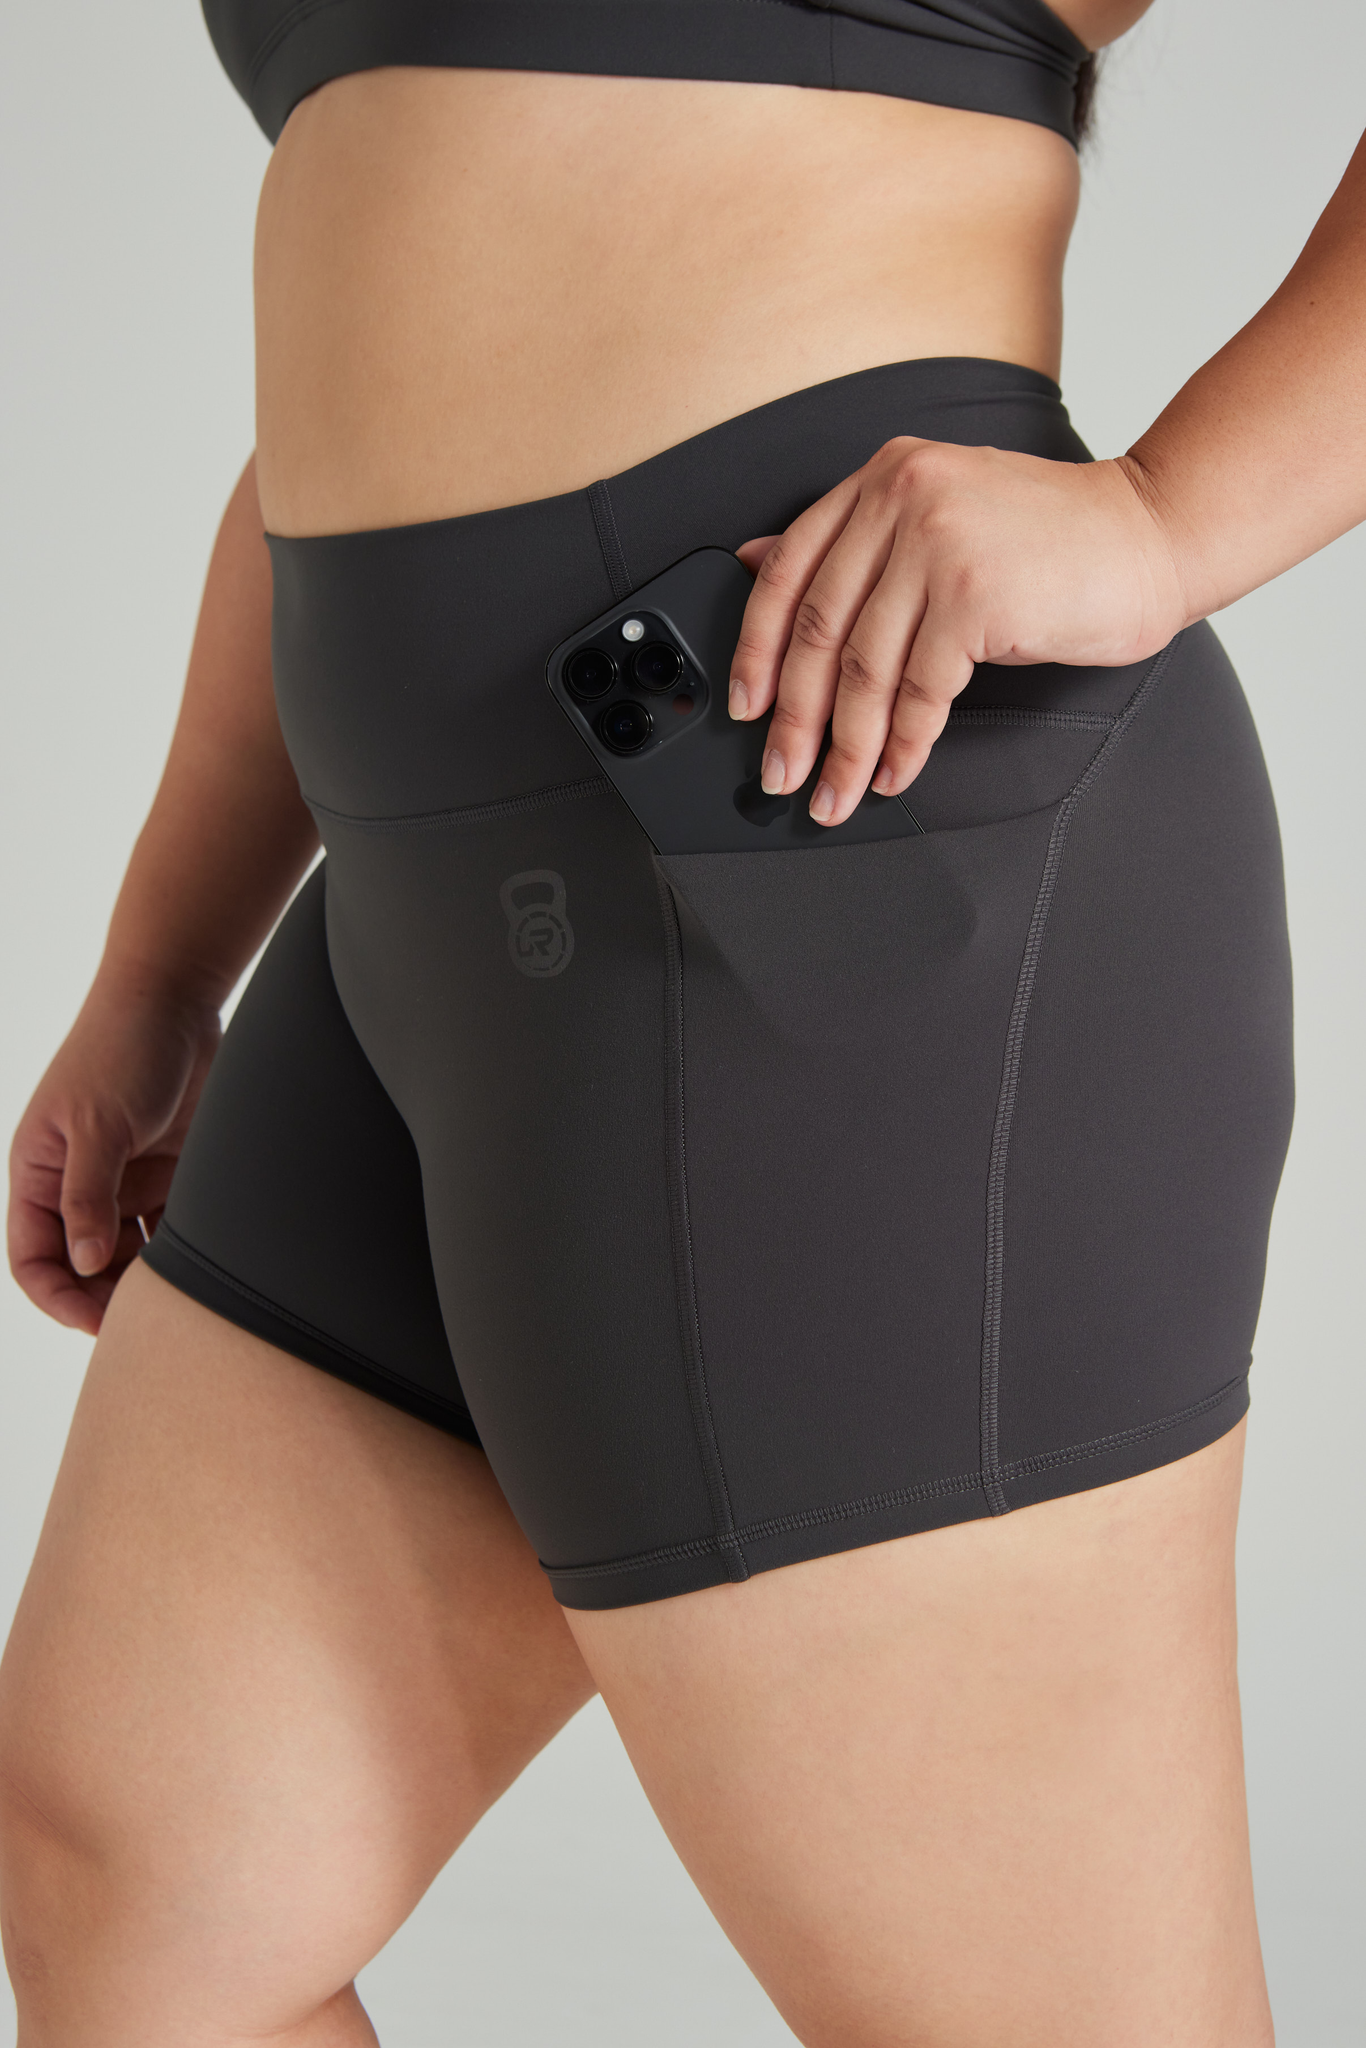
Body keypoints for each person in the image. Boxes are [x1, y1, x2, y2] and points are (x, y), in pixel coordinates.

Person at [2, 0, 1361, 2037]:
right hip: (420, 909)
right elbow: (379, 362)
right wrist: (158, 966)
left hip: (833, 841)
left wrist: (1170, 517)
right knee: (142, 1898)